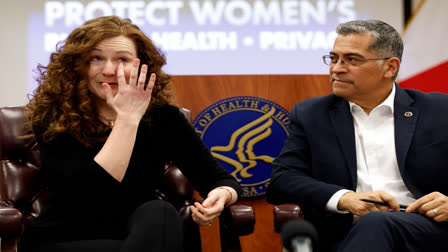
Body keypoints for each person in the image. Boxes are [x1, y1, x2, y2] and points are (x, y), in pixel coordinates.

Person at [19, 16, 241, 252]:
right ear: (78, 65)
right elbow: (94, 192)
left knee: (161, 212)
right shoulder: (53, 117)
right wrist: (127, 118)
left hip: (141, 234)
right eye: (96, 58)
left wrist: (221, 195)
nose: (109, 70)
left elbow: (219, 179)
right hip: (66, 236)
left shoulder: (163, 117)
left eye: (122, 59)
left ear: (142, 66)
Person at [267, 19, 448, 252]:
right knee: (373, 225)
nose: (336, 69)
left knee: (378, 222)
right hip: (346, 235)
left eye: (352, 60)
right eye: (333, 59)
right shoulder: (312, 114)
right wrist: (345, 199)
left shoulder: (440, 110)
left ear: (390, 67)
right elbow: (282, 181)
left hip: (425, 232)